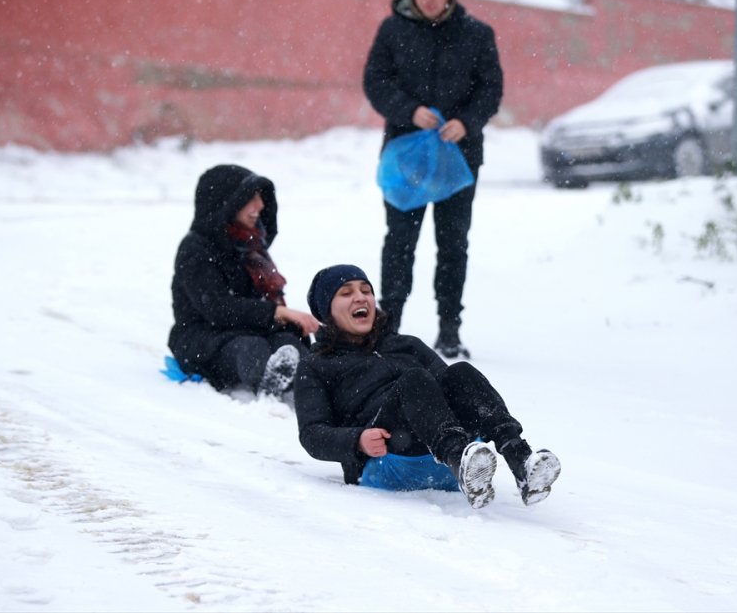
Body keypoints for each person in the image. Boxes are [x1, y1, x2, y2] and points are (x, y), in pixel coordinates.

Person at [293, 264, 560, 509]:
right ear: (327, 310)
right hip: (388, 461)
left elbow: (452, 389)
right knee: (415, 380)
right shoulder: (315, 365)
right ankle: (459, 463)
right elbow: (312, 434)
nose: (361, 297)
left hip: (438, 449)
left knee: (460, 372)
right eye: (346, 293)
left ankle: (520, 458)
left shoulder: (406, 344)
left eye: (366, 290)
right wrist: (357, 441)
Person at [363, 0, 504, 359]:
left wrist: (467, 121)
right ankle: (389, 328)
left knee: (453, 243)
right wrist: (408, 110)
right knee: (400, 242)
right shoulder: (392, 30)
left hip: (459, 158)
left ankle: (449, 330)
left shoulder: (477, 34)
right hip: (405, 157)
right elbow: (375, 81)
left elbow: (490, 89)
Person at [168, 164, 320, 397]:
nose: (259, 205)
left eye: (260, 197)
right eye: (251, 197)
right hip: (205, 337)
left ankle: (315, 378)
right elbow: (217, 308)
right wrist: (277, 313)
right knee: (250, 349)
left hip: (252, 327)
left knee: (288, 341)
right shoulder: (195, 250)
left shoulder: (248, 243)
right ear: (226, 203)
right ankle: (271, 380)